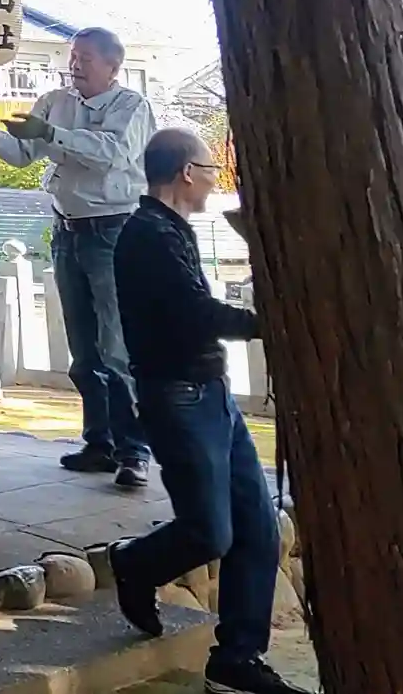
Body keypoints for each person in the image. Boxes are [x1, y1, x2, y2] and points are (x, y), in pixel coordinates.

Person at [109, 127, 292, 694]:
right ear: (187, 172)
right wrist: (268, 323)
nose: (215, 180)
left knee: (258, 530)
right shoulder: (147, 235)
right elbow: (194, 314)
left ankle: (237, 659)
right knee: (211, 532)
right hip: (177, 397)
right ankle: (136, 564)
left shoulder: (170, 229)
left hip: (212, 394)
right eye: (211, 170)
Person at [0, 26, 153, 488]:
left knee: (116, 347)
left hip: (115, 230)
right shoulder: (54, 101)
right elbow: (25, 153)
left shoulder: (131, 106)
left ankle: (134, 451)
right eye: (73, 56)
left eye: (86, 58)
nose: (75, 65)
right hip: (67, 229)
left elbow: (111, 154)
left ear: (113, 66)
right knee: (83, 348)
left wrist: (51, 133)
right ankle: (98, 443)